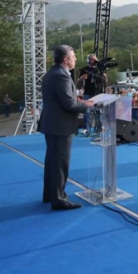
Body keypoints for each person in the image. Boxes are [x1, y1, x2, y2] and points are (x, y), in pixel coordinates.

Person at [40, 45, 94, 210]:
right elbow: (68, 104)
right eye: (73, 56)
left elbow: (62, 100)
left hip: (53, 124)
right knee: (60, 163)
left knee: (52, 162)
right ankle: (59, 199)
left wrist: (82, 102)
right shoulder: (61, 76)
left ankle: (50, 194)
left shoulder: (53, 73)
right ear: (66, 60)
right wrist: (87, 106)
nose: (75, 59)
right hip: (60, 126)